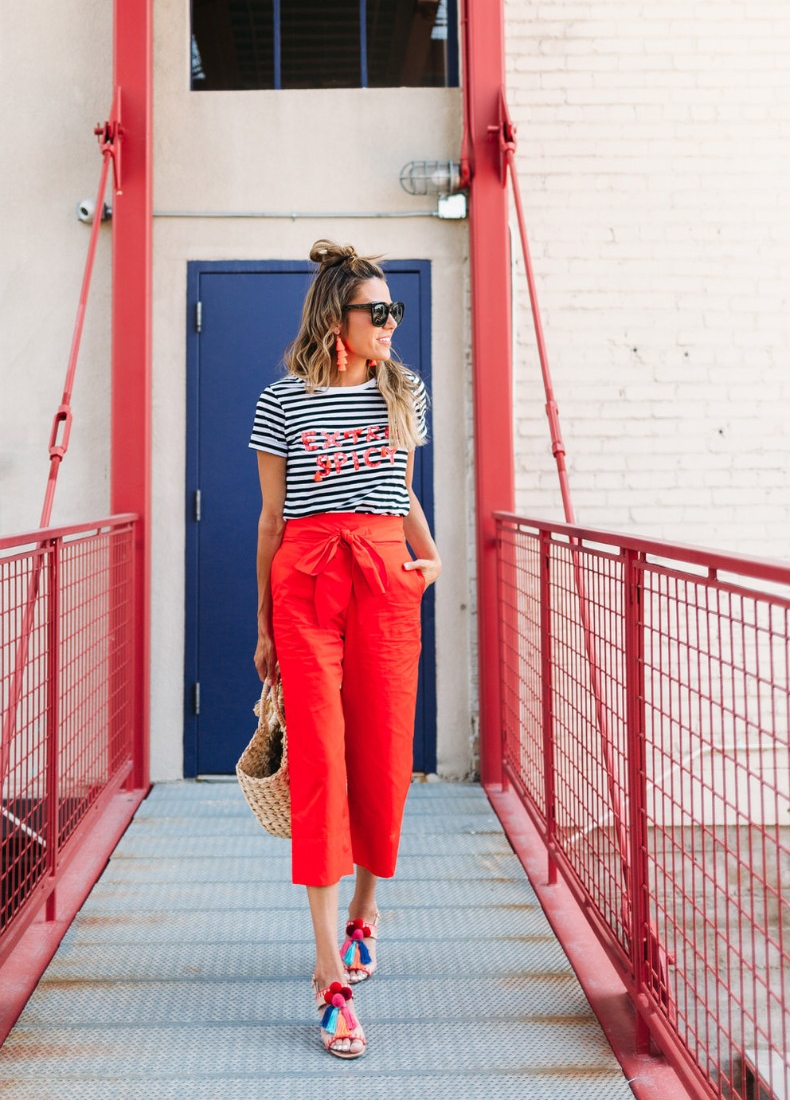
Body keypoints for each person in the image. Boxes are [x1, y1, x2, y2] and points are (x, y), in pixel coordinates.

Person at [249, 239, 441, 1059]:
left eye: (394, 310)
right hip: (305, 583)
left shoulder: (403, 389)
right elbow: (271, 520)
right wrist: (263, 625)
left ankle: (366, 907)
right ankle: (329, 972)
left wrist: (429, 560)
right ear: (339, 320)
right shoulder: (279, 402)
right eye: (379, 312)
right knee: (322, 762)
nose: (392, 323)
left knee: (383, 754)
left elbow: (401, 493)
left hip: (386, 579)